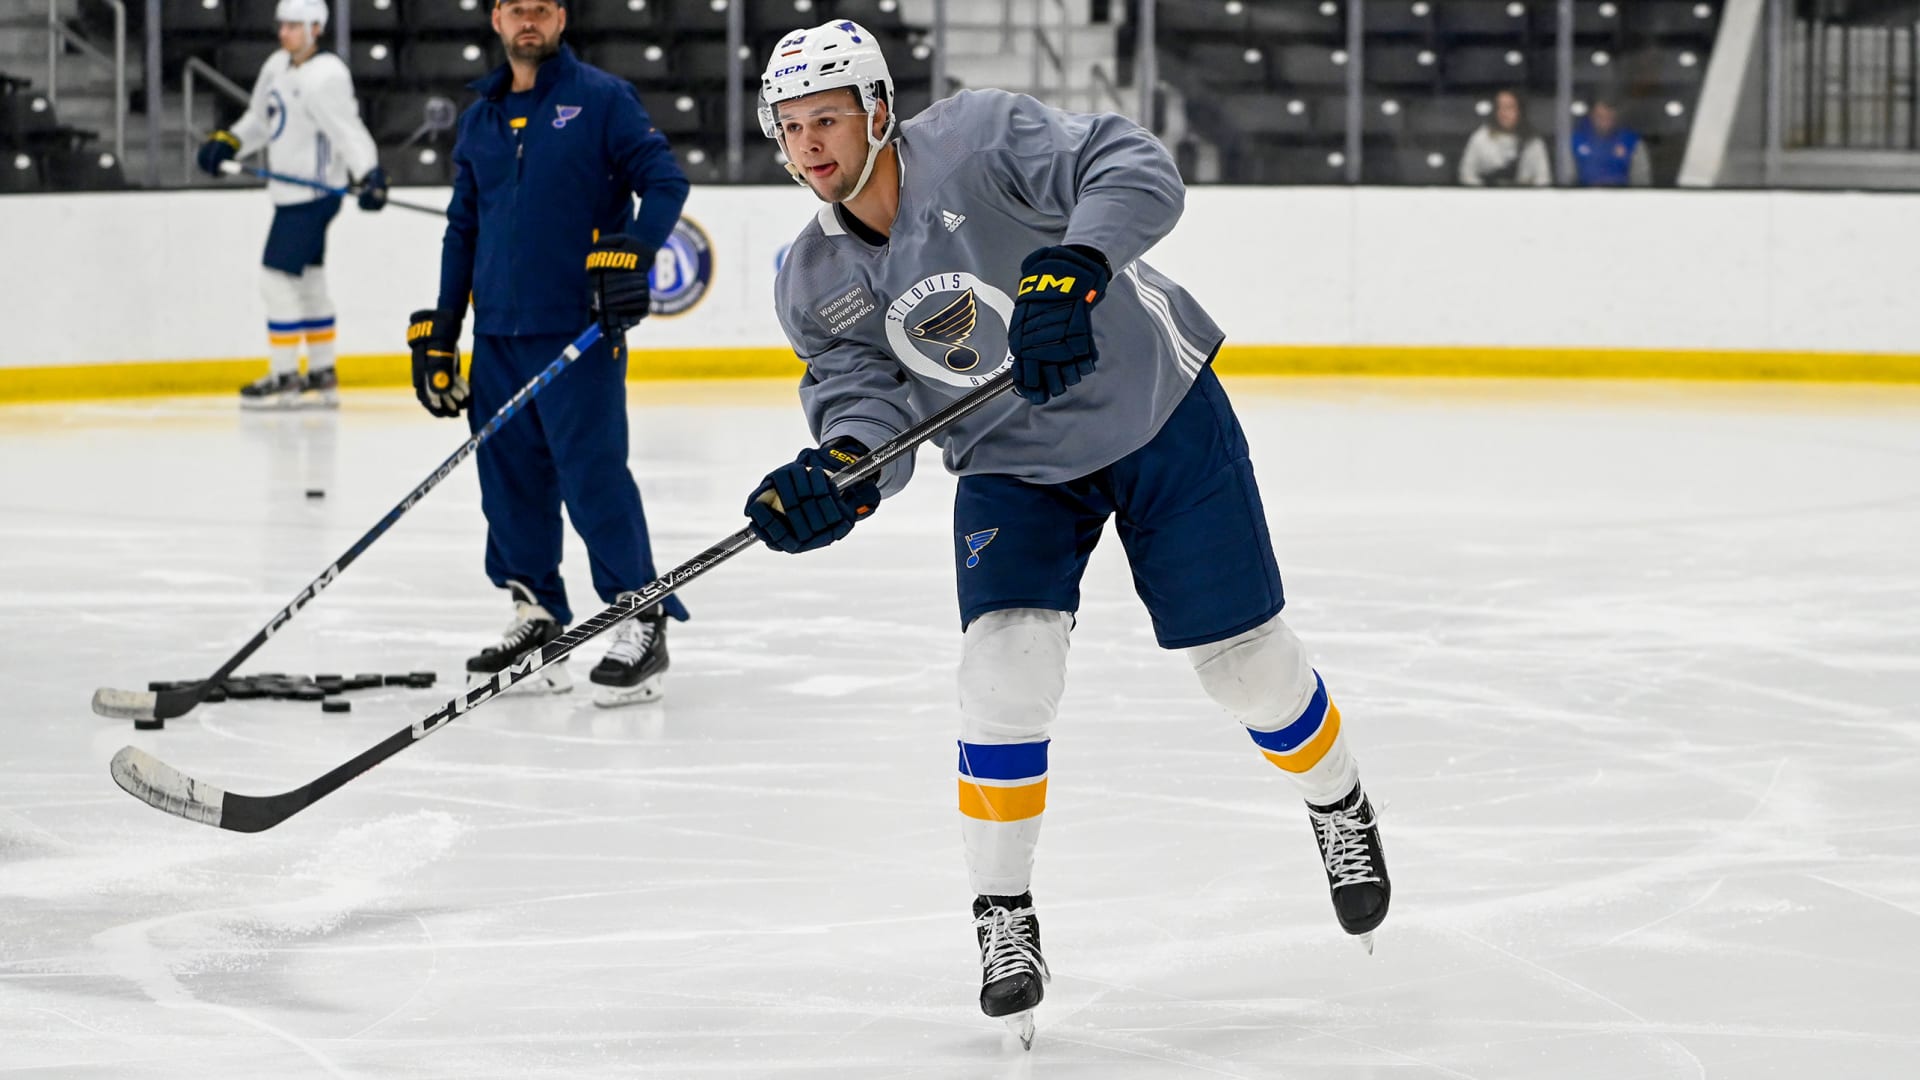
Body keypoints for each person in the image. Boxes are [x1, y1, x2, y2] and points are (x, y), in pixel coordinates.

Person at [745, 20, 1392, 1048]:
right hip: (1011, 461)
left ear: (877, 111)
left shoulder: (979, 137)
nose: (811, 145)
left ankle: (1338, 803)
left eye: (827, 118)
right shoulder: (812, 274)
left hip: (1157, 411)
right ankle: (1004, 919)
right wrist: (842, 472)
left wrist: (1075, 265)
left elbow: (1136, 167)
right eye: (790, 128)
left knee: (1247, 670)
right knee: (1002, 669)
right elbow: (866, 401)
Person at [408, 0, 689, 706]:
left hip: (577, 329)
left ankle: (640, 616)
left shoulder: (601, 99)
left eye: (541, 7)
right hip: (496, 336)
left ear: (560, 17)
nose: (527, 20)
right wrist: (443, 332)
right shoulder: (480, 119)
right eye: (515, 8)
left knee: (591, 479)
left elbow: (664, 181)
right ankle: (536, 613)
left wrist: (634, 254)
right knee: (510, 485)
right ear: (497, 18)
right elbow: (461, 231)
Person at [195, 0, 388, 409]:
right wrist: (228, 142)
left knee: (275, 280)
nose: (284, 33)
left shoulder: (327, 76)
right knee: (307, 281)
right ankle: (321, 371)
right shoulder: (277, 66)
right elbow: (260, 121)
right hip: (288, 195)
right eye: (282, 25)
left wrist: (368, 172)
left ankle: (284, 375)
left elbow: (346, 129)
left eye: (294, 26)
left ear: (316, 28)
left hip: (313, 196)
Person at [1458, 87, 1551, 187]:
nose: (1503, 113)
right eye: (1499, 107)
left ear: (1520, 110)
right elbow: (1466, 173)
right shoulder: (1480, 138)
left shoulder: (1533, 142)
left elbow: (1543, 178)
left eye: (1509, 107)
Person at [1572, 98, 1652, 187]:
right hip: (1582, 197)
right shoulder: (1575, 140)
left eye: (1609, 117)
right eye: (1600, 117)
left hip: (1624, 197)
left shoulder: (1632, 142)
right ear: (1591, 115)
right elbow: (1568, 178)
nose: (1605, 122)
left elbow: (1641, 180)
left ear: (1616, 117)